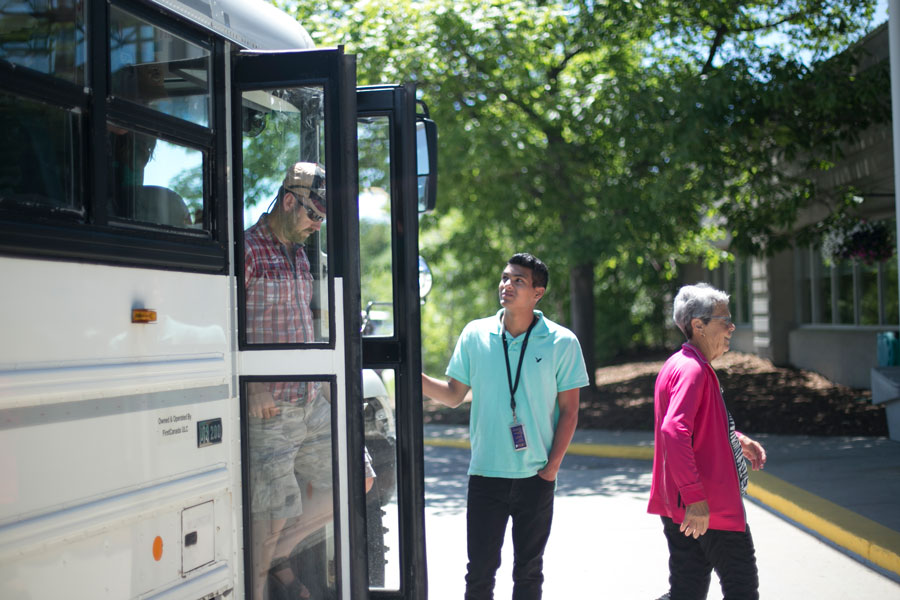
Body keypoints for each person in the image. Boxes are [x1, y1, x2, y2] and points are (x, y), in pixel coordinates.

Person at [422, 252, 589, 600]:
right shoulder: (475, 334)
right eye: (504, 278)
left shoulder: (562, 342)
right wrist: (409, 375)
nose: (507, 285)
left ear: (537, 293)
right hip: (485, 474)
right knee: (479, 573)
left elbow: (570, 411)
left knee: (529, 572)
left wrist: (551, 469)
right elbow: (454, 395)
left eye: (518, 281)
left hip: (536, 477)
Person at [244, 162, 375, 600]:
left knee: (359, 478)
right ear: (287, 201)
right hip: (271, 404)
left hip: (309, 396)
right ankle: (261, 577)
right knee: (274, 512)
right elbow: (224, 319)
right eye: (313, 214)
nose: (317, 225)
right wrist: (254, 385)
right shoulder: (247, 250)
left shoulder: (301, 256)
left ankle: (275, 556)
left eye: (322, 218)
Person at [647, 283, 767, 600]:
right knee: (742, 588)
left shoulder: (681, 364)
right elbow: (674, 430)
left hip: (685, 504)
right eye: (723, 320)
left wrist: (735, 440)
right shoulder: (692, 370)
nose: (731, 326)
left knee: (686, 592)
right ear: (698, 326)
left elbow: (695, 425)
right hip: (708, 506)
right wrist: (695, 496)